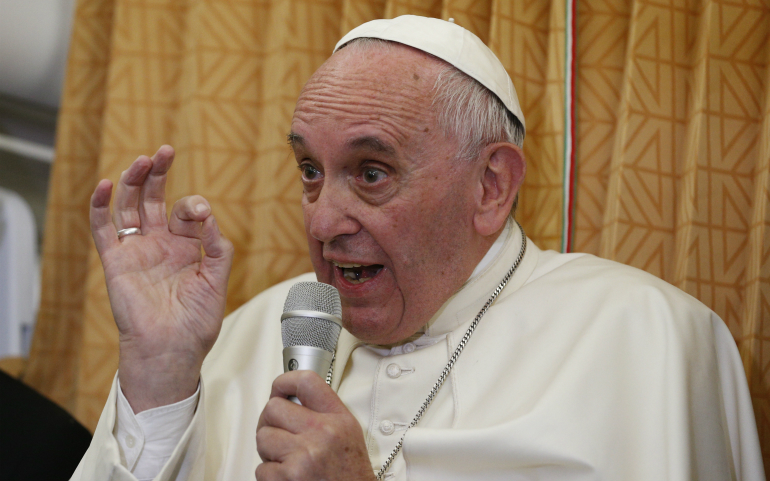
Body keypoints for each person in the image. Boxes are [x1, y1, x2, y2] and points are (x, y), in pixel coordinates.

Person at [71, 15, 764, 481]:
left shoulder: (643, 337)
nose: (322, 221)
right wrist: (159, 377)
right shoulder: (249, 330)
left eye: (371, 173)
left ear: (490, 186)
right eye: (311, 171)